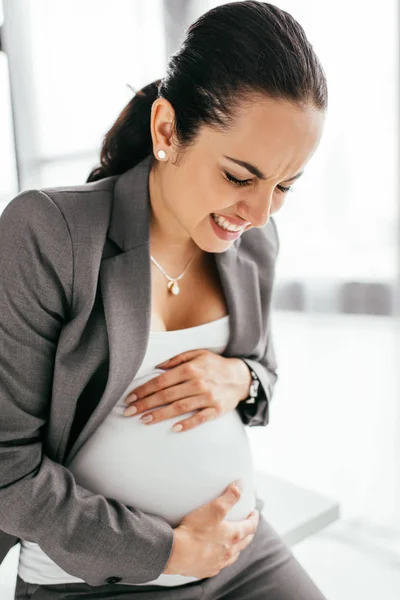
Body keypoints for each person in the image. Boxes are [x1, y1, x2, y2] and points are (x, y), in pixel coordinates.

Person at [0, 1, 328, 598]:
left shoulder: (254, 243)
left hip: (243, 550)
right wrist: (168, 551)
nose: (259, 213)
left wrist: (241, 379)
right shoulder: (49, 234)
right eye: (238, 176)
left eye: (284, 185)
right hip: (98, 580)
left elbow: (265, 376)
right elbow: (4, 466)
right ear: (166, 130)